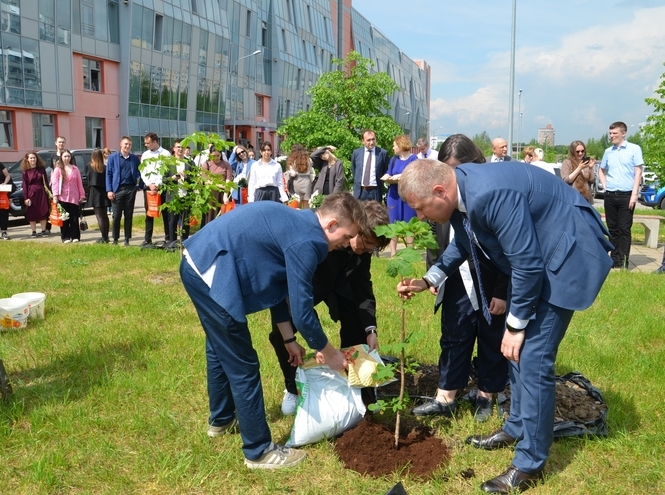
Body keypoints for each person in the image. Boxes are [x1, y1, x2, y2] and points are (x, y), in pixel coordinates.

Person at [396, 157, 612, 493]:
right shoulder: (461, 190)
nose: (421, 217)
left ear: (439, 190)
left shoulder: (486, 194)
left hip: (565, 255)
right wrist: (430, 278)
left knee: (534, 358)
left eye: (421, 208)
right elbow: (465, 243)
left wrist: (515, 326)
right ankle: (516, 427)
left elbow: (527, 264)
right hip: (537, 258)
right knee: (515, 354)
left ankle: (529, 464)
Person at [179, 192, 365, 469]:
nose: (346, 245)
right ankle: (259, 451)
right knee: (242, 364)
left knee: (219, 345)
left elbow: (281, 287)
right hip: (211, 271)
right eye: (345, 237)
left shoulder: (301, 223)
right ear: (332, 224)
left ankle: (221, 420)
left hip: (198, 259)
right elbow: (302, 313)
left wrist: (288, 339)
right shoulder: (310, 241)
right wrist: (329, 352)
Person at [412, 134, 508, 423]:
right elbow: (439, 242)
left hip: (490, 278)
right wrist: (433, 277)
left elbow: (509, 250)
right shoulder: (440, 198)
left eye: (459, 169)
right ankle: (447, 395)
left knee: (491, 335)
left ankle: (486, 393)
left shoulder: (487, 197)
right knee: (454, 335)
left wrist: (503, 290)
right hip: (455, 279)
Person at [269, 200, 390, 414]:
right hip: (309, 283)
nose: (369, 250)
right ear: (355, 228)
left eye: (374, 247)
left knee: (357, 324)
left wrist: (370, 329)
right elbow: (296, 292)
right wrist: (318, 343)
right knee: (282, 333)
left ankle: (359, 389)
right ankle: (292, 387)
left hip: (341, 286)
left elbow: (363, 287)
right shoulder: (324, 238)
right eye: (367, 243)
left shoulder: (364, 251)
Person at [598, 121, 644, 269]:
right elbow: (601, 170)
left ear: (623, 133)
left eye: (615, 133)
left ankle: (624, 260)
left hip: (627, 195)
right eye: (610, 133)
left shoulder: (634, 149)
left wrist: (634, 194)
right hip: (611, 195)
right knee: (612, 229)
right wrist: (605, 187)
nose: (612, 136)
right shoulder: (608, 152)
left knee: (624, 228)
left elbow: (638, 172)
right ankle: (614, 260)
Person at [382, 134, 417, 257]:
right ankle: (393, 253)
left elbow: (413, 174)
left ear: (401, 145)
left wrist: (400, 176)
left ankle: (410, 252)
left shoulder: (413, 159)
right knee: (393, 222)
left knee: (409, 223)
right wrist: (386, 177)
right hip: (393, 194)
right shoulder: (393, 159)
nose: (393, 148)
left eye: (394, 145)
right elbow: (389, 172)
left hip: (407, 195)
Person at [106, 136, 141, 246]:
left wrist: (138, 185)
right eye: (126, 144)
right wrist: (109, 190)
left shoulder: (134, 159)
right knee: (116, 215)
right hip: (117, 189)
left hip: (130, 189)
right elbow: (109, 174)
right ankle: (115, 239)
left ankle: (127, 239)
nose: (127, 146)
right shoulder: (113, 157)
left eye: (129, 144)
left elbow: (140, 172)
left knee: (128, 215)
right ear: (120, 144)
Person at [141, 132, 172, 248]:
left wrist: (158, 184)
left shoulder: (165, 154)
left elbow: (166, 170)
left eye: (148, 143)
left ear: (155, 142)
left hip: (162, 187)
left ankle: (168, 238)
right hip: (149, 188)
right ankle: (147, 239)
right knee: (149, 214)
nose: (146, 145)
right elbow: (142, 171)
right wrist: (149, 184)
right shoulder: (145, 155)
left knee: (166, 214)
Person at [164, 139, 195, 247]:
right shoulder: (168, 163)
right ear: (174, 149)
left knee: (185, 222)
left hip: (186, 196)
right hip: (173, 196)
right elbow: (163, 180)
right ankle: (172, 243)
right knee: (172, 221)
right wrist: (172, 178)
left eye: (182, 147)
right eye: (178, 147)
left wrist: (187, 177)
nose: (180, 149)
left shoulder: (190, 162)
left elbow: (195, 179)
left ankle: (185, 243)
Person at [51, 150, 86, 243]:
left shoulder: (75, 169)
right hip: (62, 197)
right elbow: (55, 183)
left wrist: (82, 195)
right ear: (61, 158)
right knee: (64, 218)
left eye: (68, 156)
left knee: (74, 218)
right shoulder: (58, 169)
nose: (67, 158)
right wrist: (55, 196)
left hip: (74, 197)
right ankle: (65, 237)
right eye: (65, 156)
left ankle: (75, 236)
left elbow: (79, 183)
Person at [351, 129, 390, 202]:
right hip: (360, 192)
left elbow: (385, 170)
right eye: (368, 140)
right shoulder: (356, 153)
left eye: (373, 139)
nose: (371, 142)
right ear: (363, 141)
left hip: (375, 191)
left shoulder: (383, 153)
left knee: (375, 213)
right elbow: (354, 169)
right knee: (359, 213)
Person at [21, 152, 50, 237]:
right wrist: (26, 197)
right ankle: (34, 231)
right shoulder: (25, 171)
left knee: (43, 211)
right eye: (31, 158)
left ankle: (43, 230)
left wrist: (48, 193)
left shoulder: (41, 169)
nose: (33, 159)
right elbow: (24, 185)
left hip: (41, 192)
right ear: (27, 159)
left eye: (34, 158)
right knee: (31, 212)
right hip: (31, 192)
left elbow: (46, 182)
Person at [201, 148, 232, 225]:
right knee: (211, 217)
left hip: (224, 193)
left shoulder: (226, 165)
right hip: (211, 195)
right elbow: (206, 181)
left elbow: (228, 180)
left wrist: (225, 195)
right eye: (214, 156)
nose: (216, 158)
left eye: (218, 155)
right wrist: (221, 185)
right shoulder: (206, 165)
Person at [87, 148, 111, 243]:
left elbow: (88, 180)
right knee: (105, 216)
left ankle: (103, 237)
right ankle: (106, 236)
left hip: (94, 192)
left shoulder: (89, 166)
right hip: (103, 192)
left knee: (99, 216)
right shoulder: (104, 167)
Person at [0, 161, 11, 240]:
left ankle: (4, 232)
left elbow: (7, 176)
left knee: (3, 212)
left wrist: (4, 183)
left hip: (2, 191)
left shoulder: (0, 164)